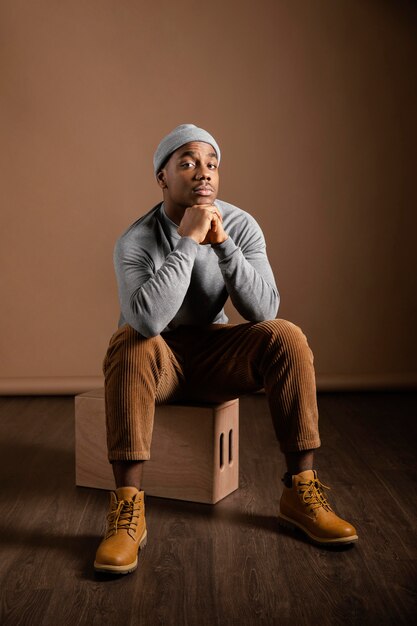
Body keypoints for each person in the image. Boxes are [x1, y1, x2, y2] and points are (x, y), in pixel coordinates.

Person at [94, 124, 358, 575]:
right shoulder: (135, 241)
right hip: (159, 359)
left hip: (216, 354)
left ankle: (300, 491)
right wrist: (188, 241)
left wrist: (223, 245)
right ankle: (127, 513)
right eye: (189, 163)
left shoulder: (239, 225)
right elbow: (147, 321)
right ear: (162, 177)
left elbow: (264, 309)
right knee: (129, 340)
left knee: (286, 334)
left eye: (212, 164)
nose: (204, 174)